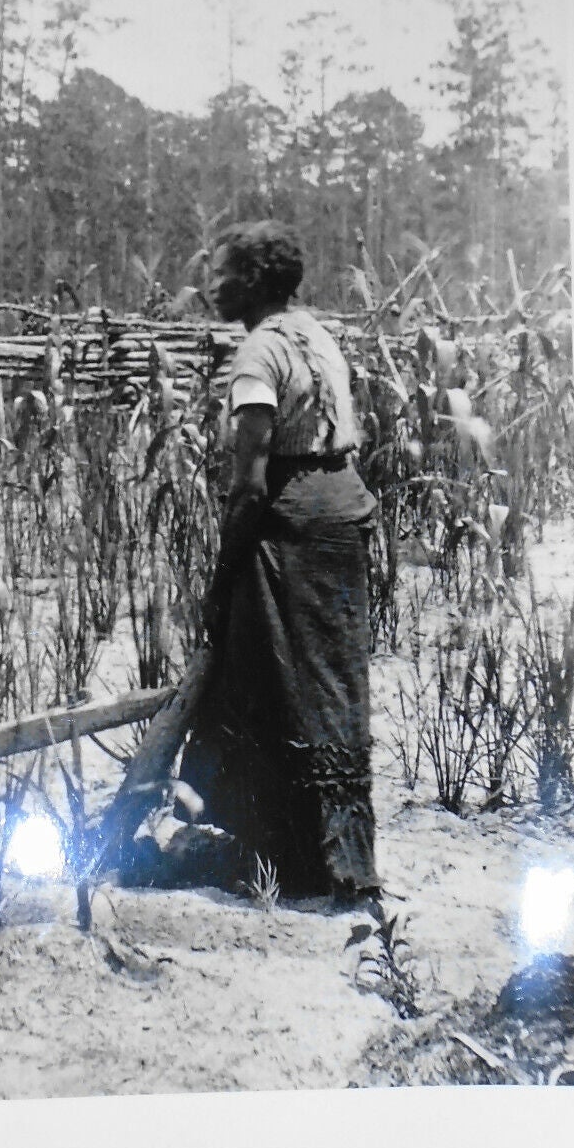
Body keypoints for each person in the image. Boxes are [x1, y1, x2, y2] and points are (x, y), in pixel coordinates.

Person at [178, 220, 380, 907]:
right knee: (333, 684)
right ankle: (341, 860)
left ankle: (288, 863)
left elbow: (251, 483)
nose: (211, 286)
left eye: (223, 273)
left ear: (257, 281)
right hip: (342, 511)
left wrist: (221, 574)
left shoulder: (259, 355)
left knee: (274, 679)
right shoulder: (318, 335)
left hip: (291, 519)